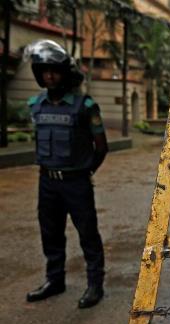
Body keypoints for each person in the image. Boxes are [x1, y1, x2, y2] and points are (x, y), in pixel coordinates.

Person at [23, 40, 108, 308]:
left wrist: (84, 171)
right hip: (47, 181)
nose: (49, 75)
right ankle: (54, 280)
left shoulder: (85, 105)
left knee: (87, 233)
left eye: (54, 71)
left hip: (76, 182)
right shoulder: (36, 105)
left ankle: (95, 285)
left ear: (64, 73)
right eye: (43, 70)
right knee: (50, 233)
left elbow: (101, 147)